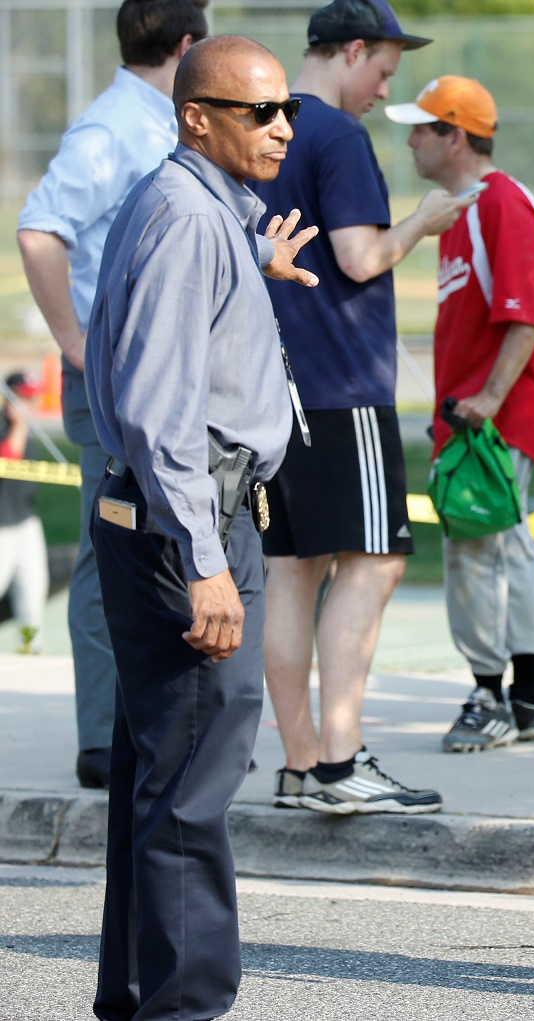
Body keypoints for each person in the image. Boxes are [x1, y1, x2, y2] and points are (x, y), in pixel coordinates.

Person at [83, 34, 317, 1020]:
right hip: (191, 528)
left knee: (158, 774)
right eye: (257, 111)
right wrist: (206, 564)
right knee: (189, 790)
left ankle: (139, 997)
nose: (282, 127)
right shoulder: (187, 219)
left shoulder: (201, 213)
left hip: (181, 520)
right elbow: (161, 409)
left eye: (286, 108)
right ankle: (182, 1007)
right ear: (195, 117)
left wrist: (249, 260)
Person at [253, 0, 472, 814]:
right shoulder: (339, 138)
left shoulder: (267, 126)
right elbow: (360, 253)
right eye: (382, 68)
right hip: (342, 386)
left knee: (290, 571)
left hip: (273, 388)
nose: (385, 87)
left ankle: (301, 764)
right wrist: (422, 219)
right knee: (374, 559)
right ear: (350, 51)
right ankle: (342, 764)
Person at [16, 0, 210, 790]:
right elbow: (39, 228)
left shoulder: (158, 123)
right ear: (189, 44)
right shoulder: (113, 130)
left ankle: (163, 723)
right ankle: (106, 736)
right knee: (114, 547)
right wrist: (74, 342)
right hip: (116, 372)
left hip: (161, 369)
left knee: (168, 539)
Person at [386, 76, 534, 751]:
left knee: (476, 550)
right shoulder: (460, 209)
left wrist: (487, 401)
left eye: (422, 129)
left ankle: (491, 694)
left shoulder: (500, 205)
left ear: (455, 136)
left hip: (491, 417)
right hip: (473, 412)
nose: (410, 140)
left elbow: (527, 318)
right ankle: (529, 694)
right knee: (503, 545)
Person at [0, 373, 49, 651]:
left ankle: (30, 647)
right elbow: (8, 460)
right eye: (24, 397)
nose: (29, 404)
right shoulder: (6, 426)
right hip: (2, 527)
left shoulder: (29, 429)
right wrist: (17, 427)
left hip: (27, 524)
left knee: (32, 592)